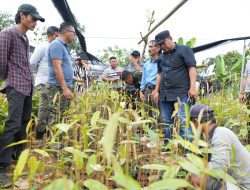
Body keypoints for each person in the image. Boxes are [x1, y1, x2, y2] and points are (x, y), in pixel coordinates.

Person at [0, 4, 44, 188]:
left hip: (27, 87)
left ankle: (17, 155)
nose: (35, 23)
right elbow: (2, 60)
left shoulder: (24, 39)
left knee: (24, 122)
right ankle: (2, 167)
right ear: (22, 16)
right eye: (33, 19)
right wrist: (6, 83)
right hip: (15, 86)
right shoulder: (8, 33)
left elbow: (25, 64)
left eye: (36, 20)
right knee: (13, 123)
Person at [189, 104, 250, 190]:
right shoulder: (212, 136)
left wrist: (195, 166)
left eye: (191, 123)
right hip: (233, 181)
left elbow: (218, 169)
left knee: (199, 177)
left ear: (196, 121)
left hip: (243, 186)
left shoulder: (220, 134)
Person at [152, 30, 197, 144]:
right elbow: (159, 74)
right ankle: (168, 147)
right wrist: (156, 90)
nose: (162, 47)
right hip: (165, 95)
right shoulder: (161, 57)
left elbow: (191, 68)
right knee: (166, 122)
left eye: (164, 43)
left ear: (170, 38)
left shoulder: (184, 50)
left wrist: (193, 88)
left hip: (181, 93)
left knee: (183, 121)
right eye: (160, 45)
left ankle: (187, 151)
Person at [30, 26, 59, 139]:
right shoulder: (43, 47)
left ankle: (42, 132)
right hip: (44, 82)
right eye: (56, 36)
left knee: (46, 107)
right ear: (50, 36)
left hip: (52, 83)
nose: (58, 38)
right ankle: (46, 134)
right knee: (49, 107)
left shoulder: (56, 48)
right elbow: (32, 63)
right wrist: (38, 75)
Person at [47, 22, 75, 126]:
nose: (74, 36)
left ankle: (60, 140)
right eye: (73, 33)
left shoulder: (64, 47)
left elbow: (64, 68)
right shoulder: (56, 45)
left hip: (63, 86)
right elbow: (57, 68)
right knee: (56, 115)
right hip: (57, 87)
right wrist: (64, 88)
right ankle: (54, 141)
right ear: (66, 32)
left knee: (63, 115)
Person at [140, 40, 160, 118]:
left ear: (158, 48)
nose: (149, 49)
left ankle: (157, 130)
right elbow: (144, 79)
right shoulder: (146, 63)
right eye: (148, 47)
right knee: (147, 113)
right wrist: (141, 91)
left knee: (157, 113)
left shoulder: (161, 62)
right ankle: (147, 129)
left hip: (157, 90)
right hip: (147, 90)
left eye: (151, 47)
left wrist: (156, 90)